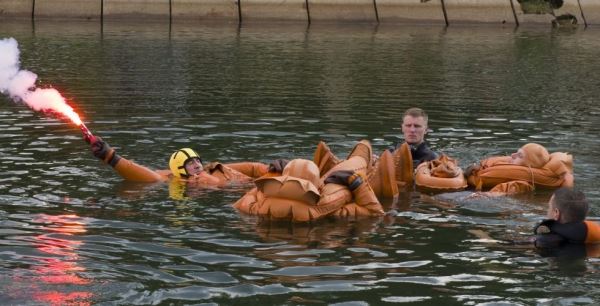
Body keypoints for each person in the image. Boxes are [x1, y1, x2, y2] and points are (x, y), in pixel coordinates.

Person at [234, 141, 387, 222]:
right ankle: (370, 161)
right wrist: (356, 183)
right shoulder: (326, 210)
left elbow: (241, 202)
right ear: (318, 186)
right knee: (363, 148)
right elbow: (375, 212)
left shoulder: (257, 207)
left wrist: (271, 175)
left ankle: (334, 162)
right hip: (320, 233)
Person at [89, 137, 269, 186]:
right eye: (190, 163)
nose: (197, 165)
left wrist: (268, 169)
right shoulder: (175, 179)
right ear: (181, 170)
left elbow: (252, 167)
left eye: (196, 160)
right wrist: (110, 157)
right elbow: (149, 177)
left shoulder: (214, 170)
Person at [465, 142, 574, 193]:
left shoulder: (523, 184)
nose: (512, 155)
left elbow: (497, 194)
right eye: (516, 152)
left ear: (528, 166)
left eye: (519, 156)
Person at [534, 188, 600, 248]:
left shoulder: (544, 241)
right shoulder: (593, 236)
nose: (547, 210)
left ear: (556, 213)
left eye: (549, 207)